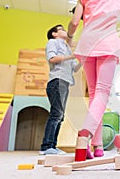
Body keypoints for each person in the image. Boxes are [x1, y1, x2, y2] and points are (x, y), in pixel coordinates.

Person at [67, 0, 120, 158]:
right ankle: (85, 134)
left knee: (94, 94)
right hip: (108, 44)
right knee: (101, 93)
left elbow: (76, 21)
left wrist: (69, 37)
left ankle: (97, 146)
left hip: (87, 44)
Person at [40, 24, 81, 155]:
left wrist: (84, 59)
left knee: (60, 116)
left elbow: (75, 68)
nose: (64, 31)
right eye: (61, 29)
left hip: (65, 81)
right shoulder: (53, 42)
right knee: (56, 114)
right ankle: (46, 147)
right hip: (57, 80)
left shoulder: (67, 48)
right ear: (54, 33)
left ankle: (52, 145)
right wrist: (73, 56)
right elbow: (52, 59)